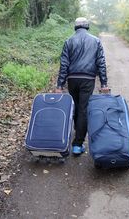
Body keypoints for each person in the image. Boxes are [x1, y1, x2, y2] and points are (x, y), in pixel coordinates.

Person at [55, 17, 109, 155]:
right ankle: (78, 144)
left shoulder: (69, 41)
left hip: (72, 79)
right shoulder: (96, 41)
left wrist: (60, 85)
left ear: (76, 27)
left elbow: (64, 64)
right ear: (87, 26)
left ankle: (76, 136)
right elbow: (101, 63)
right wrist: (103, 83)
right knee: (83, 109)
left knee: (75, 107)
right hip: (88, 79)